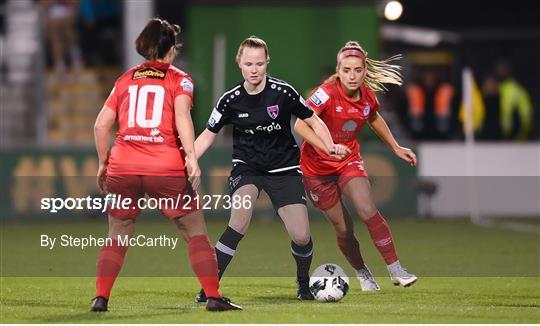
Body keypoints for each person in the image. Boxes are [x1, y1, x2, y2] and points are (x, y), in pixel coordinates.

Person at [91, 18, 241, 312]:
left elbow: (100, 126)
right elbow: (182, 117)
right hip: (165, 165)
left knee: (118, 231)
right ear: (171, 50)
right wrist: (191, 157)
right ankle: (213, 295)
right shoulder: (179, 79)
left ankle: (100, 297)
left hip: (123, 165)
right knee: (194, 229)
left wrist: (102, 163)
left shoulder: (124, 79)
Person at [193, 36, 349, 301]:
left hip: (284, 169)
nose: (254, 69)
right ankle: (209, 288)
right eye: (248, 63)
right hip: (248, 168)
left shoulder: (283, 92)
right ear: (239, 64)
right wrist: (189, 160)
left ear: (267, 63)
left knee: (301, 237)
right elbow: (208, 134)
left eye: (259, 63)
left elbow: (313, 119)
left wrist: (330, 145)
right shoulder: (230, 100)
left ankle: (302, 284)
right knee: (238, 222)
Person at [295, 41, 418, 291]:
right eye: (347, 70)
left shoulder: (368, 97)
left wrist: (395, 146)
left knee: (367, 208)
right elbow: (300, 124)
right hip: (316, 170)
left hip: (348, 161)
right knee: (344, 228)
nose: (352, 75)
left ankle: (395, 269)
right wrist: (326, 146)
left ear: (365, 71)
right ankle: (363, 272)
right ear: (338, 70)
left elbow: (373, 116)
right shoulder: (325, 93)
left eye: (358, 70)